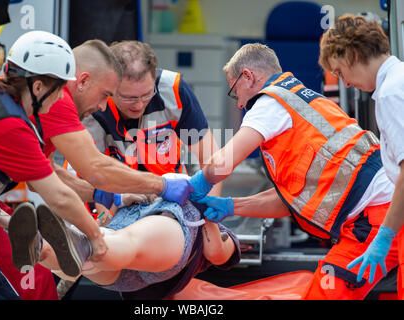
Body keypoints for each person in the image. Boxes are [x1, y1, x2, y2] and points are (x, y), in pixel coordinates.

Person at [187, 43, 401, 300]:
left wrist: (195, 183)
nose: (241, 104)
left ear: (248, 76)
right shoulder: (302, 101)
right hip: (374, 216)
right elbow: (296, 200)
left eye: (235, 93)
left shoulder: (269, 103)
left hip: (377, 217)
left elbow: (221, 165)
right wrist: (232, 205)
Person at [0, 30, 106, 299]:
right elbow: (58, 196)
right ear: (38, 88)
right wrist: (96, 238)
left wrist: (6, 221)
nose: (61, 99)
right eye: (59, 89)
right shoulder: (11, 128)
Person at [32, 39, 194, 214]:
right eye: (105, 95)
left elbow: (45, 173)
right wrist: (161, 185)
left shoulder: (52, 99)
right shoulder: (60, 102)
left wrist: (110, 198)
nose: (103, 106)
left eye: (146, 95)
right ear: (83, 81)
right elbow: (95, 169)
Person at [4, 194, 241, 300]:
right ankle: (42, 249)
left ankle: (71, 246)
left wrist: (207, 209)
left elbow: (218, 253)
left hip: (170, 238)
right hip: (118, 264)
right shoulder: (136, 186)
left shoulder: (209, 220)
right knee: (97, 252)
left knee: (121, 242)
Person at [319, 13, 404, 299]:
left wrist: (384, 237)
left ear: (353, 54)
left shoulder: (393, 93)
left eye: (340, 72)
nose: (344, 84)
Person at [80, 40, 222, 199]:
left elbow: (211, 157)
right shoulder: (92, 104)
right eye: (129, 98)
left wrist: (207, 211)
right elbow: (86, 173)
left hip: (171, 198)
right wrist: (107, 211)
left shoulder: (173, 91)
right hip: (110, 200)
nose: (139, 104)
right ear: (110, 85)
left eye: (147, 94)